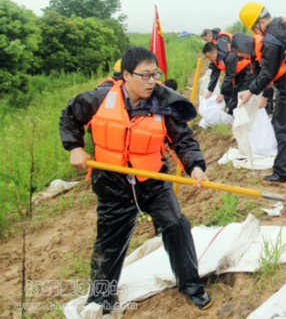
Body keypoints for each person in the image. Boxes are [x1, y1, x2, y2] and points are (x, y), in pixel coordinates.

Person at [59, 47, 212, 313]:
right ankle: (101, 300)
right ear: (126, 76)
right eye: (145, 75)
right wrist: (74, 147)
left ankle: (191, 286)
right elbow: (69, 115)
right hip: (112, 183)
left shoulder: (164, 104)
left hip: (152, 181)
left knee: (176, 226)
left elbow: (184, 141)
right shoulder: (99, 98)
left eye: (155, 74)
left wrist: (195, 166)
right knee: (108, 244)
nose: (152, 81)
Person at [238, 2, 286, 182]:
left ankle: (283, 173)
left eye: (255, 30)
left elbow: (267, 72)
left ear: (259, 22)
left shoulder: (271, 40)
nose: (256, 34)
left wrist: (250, 91)